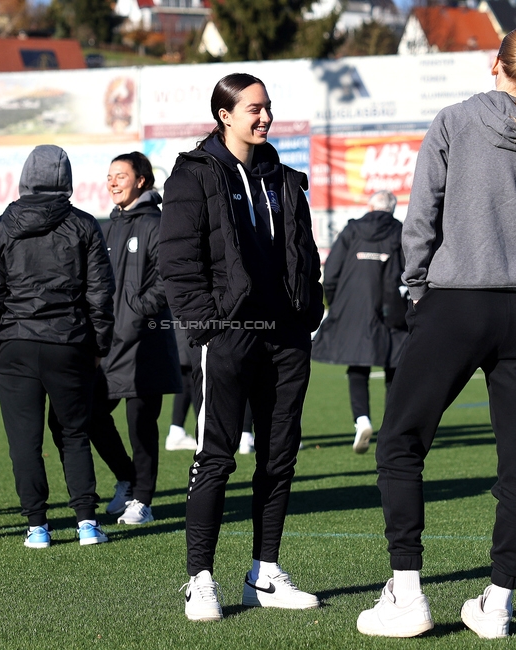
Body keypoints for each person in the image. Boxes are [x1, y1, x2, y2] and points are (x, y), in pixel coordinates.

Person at [356, 27, 516, 639]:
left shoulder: (455, 120)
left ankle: (406, 594)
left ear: (496, 64)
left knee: (401, 443)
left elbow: (422, 214)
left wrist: (415, 286)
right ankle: (498, 602)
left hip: (454, 305)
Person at [159, 72, 325, 621]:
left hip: (286, 339)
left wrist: (307, 313)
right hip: (228, 337)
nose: (264, 117)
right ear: (224, 115)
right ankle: (199, 579)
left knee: (279, 459)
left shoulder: (282, 175)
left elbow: (303, 250)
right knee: (216, 458)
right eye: (253, 108)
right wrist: (206, 327)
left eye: (268, 107)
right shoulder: (194, 174)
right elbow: (178, 261)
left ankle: (265, 573)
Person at [0, 144, 115, 549]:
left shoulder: (2, 226)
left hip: (14, 343)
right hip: (69, 342)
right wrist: (99, 344)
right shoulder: (85, 226)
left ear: (25, 178)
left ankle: (37, 526)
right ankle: (87, 524)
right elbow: (100, 294)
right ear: (66, 181)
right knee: (74, 434)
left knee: (24, 440)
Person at [87, 152, 183, 525]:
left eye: (121, 176)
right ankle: (127, 479)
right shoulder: (108, 225)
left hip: (146, 343)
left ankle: (143, 499)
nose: (112, 182)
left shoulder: (159, 224)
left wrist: (137, 310)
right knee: (91, 414)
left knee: (141, 424)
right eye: (109, 176)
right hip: (108, 344)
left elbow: (168, 280)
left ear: (141, 181)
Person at [310, 190, 409, 454]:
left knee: (357, 366)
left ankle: (362, 419)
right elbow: (411, 270)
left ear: (370, 206)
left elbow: (330, 272)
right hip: (393, 309)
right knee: (395, 369)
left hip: (353, 308)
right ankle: (392, 428)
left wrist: (336, 302)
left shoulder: (352, 230)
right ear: (392, 209)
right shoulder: (401, 231)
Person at [167, 327, 199, 451]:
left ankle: (177, 431)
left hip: (179, 340)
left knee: (186, 386)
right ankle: (203, 433)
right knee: (195, 386)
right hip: (188, 339)